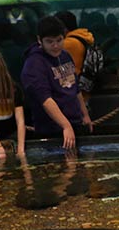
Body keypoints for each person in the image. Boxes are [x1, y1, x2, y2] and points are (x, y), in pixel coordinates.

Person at [21, 15, 92, 149]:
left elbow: (75, 88)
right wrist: (65, 125)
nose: (55, 46)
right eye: (50, 41)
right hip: (52, 129)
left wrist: (85, 114)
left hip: (75, 122)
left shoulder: (65, 55)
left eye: (59, 40)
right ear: (39, 40)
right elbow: (45, 99)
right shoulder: (34, 64)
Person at [56, 10, 95, 105]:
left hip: (74, 96)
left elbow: (65, 75)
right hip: (84, 93)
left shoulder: (68, 44)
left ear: (63, 28)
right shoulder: (83, 38)